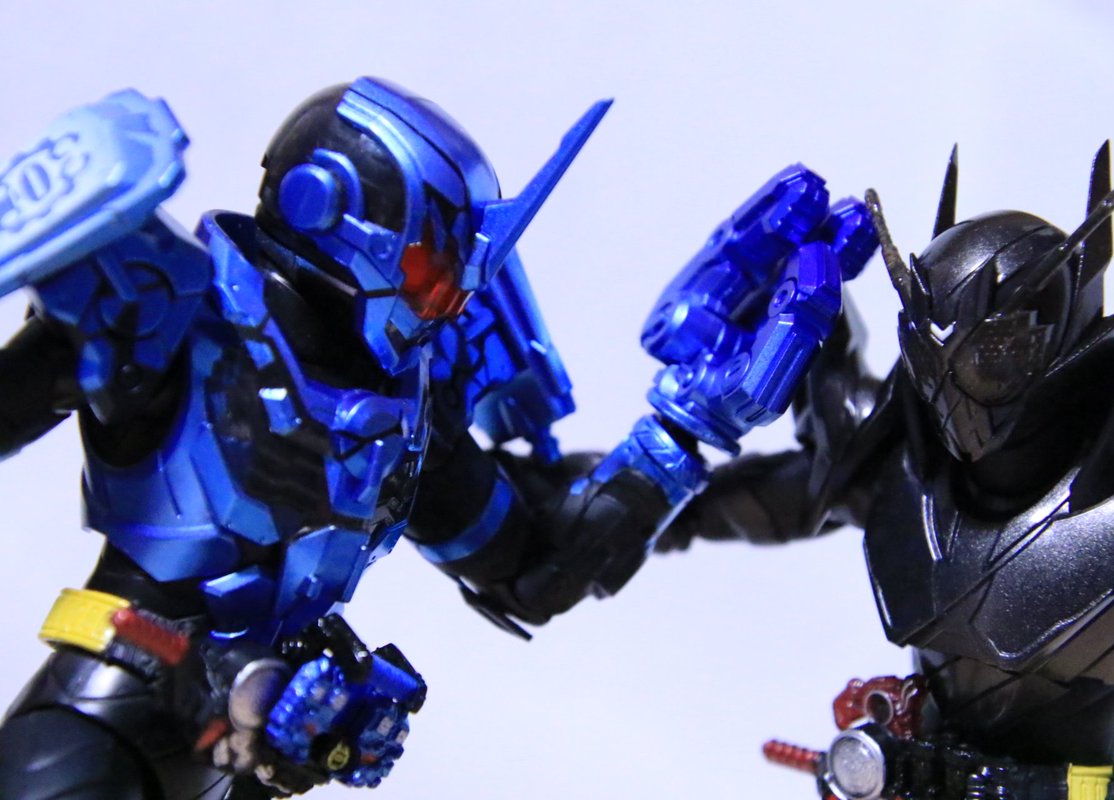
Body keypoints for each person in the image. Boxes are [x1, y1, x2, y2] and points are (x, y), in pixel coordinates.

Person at [0, 79, 875, 799]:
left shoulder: (406, 406)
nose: (449, 296)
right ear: (329, 210)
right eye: (432, 264)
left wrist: (688, 427)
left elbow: (537, 566)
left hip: (236, 767)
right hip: (105, 718)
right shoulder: (171, 316)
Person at [652, 144, 1114, 799]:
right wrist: (629, 505)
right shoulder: (907, 467)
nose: (959, 392)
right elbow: (766, 497)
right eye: (938, 354)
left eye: (994, 352)